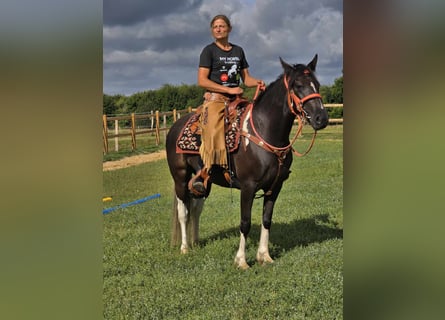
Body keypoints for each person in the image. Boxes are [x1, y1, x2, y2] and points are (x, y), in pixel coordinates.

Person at [191, 14, 265, 195]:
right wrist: (229, 90)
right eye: (215, 26)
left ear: (229, 29)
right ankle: (205, 171)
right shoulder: (208, 51)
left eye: (222, 26)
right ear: (212, 30)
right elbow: (202, 80)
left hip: (236, 100)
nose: (218, 29)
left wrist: (257, 82)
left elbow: (245, 79)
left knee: (253, 123)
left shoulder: (238, 51)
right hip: (216, 99)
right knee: (213, 128)